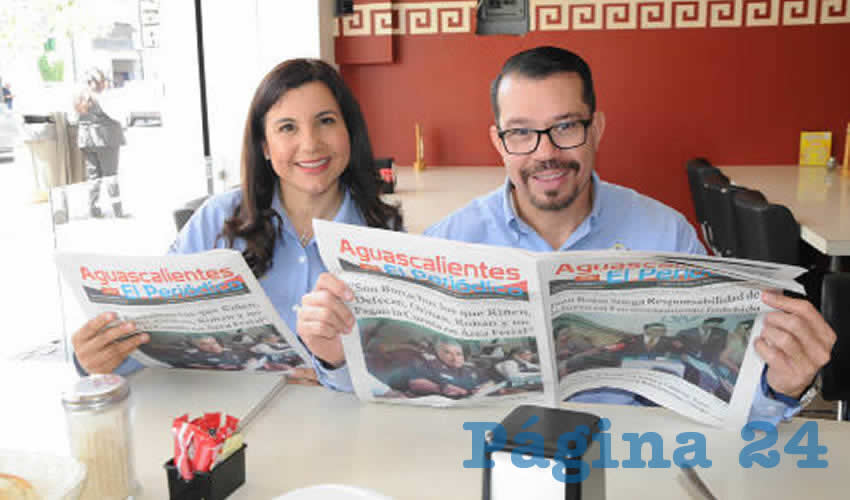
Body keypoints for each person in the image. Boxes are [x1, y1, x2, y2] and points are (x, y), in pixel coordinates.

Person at [302, 46, 835, 424]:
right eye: (521, 133)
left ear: (596, 128)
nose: (544, 152)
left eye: (565, 127)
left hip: (631, 458)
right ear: (498, 140)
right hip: (481, 451)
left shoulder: (666, 231)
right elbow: (384, 393)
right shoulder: (449, 241)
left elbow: (737, 399)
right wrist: (334, 355)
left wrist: (782, 386)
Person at [70, 58, 403, 387]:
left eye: (326, 121)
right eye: (287, 127)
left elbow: (400, 370)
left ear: (349, 131)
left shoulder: (384, 234)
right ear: (265, 146)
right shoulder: (218, 219)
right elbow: (152, 334)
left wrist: (335, 370)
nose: (311, 143)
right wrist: (94, 359)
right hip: (226, 427)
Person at [74, 68, 126, 218]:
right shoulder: (101, 97)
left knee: (93, 176)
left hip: (86, 141)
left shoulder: (78, 98)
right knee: (111, 175)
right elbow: (118, 115)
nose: (105, 84)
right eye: (103, 81)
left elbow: (72, 119)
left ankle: (94, 209)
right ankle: (118, 210)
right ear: (97, 82)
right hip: (105, 140)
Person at [387, 338, 490, 398]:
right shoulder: (430, 364)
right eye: (448, 353)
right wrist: (441, 388)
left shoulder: (471, 369)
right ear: (438, 353)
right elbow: (415, 383)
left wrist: (483, 388)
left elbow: (490, 382)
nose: (454, 358)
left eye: (459, 354)